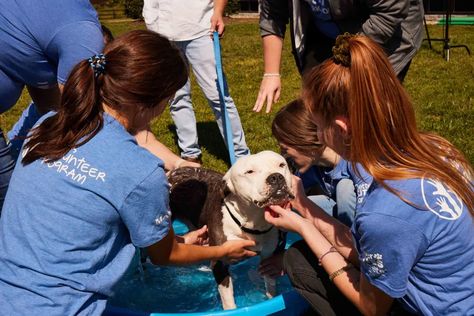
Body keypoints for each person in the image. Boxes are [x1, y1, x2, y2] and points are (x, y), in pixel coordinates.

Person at [0, 30, 256, 315]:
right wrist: (222, 252)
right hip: (62, 308)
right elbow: (165, 256)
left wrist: (178, 240)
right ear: (152, 101)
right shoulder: (141, 170)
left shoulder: (48, 126)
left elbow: (74, 220)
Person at [264, 34, 474, 315]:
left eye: (316, 126)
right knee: (301, 258)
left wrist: (304, 228)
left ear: (341, 128)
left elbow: (371, 308)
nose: (316, 136)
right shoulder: (434, 148)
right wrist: (302, 207)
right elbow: (365, 246)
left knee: (301, 266)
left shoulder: (385, 210)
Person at [254, 0, 425, 113]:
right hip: (323, 35)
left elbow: (388, 14)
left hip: (383, 36)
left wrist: (343, 63)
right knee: (318, 109)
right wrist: (271, 73)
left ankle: (377, 161)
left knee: (368, 108)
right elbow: (272, 14)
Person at [143, 0, 250, 163]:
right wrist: (153, 28)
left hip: (203, 30)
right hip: (165, 35)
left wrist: (218, 12)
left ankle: (241, 156)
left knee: (218, 95)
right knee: (177, 98)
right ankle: (190, 154)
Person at [271, 99, 357, 227]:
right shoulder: (314, 167)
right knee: (290, 205)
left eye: (285, 149)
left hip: (374, 220)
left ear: (302, 139)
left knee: (345, 189)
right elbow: (291, 194)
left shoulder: (355, 163)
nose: (284, 155)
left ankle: (351, 243)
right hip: (339, 209)